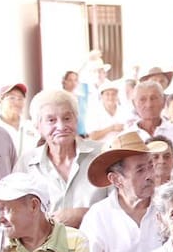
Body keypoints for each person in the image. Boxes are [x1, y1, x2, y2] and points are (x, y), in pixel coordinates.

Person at [16, 90, 106, 228]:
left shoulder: (103, 154)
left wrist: (84, 215)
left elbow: (123, 206)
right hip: (45, 248)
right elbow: (16, 212)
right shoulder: (27, 163)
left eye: (67, 118)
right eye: (51, 120)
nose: (61, 126)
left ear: (76, 120)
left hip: (97, 245)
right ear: (38, 126)